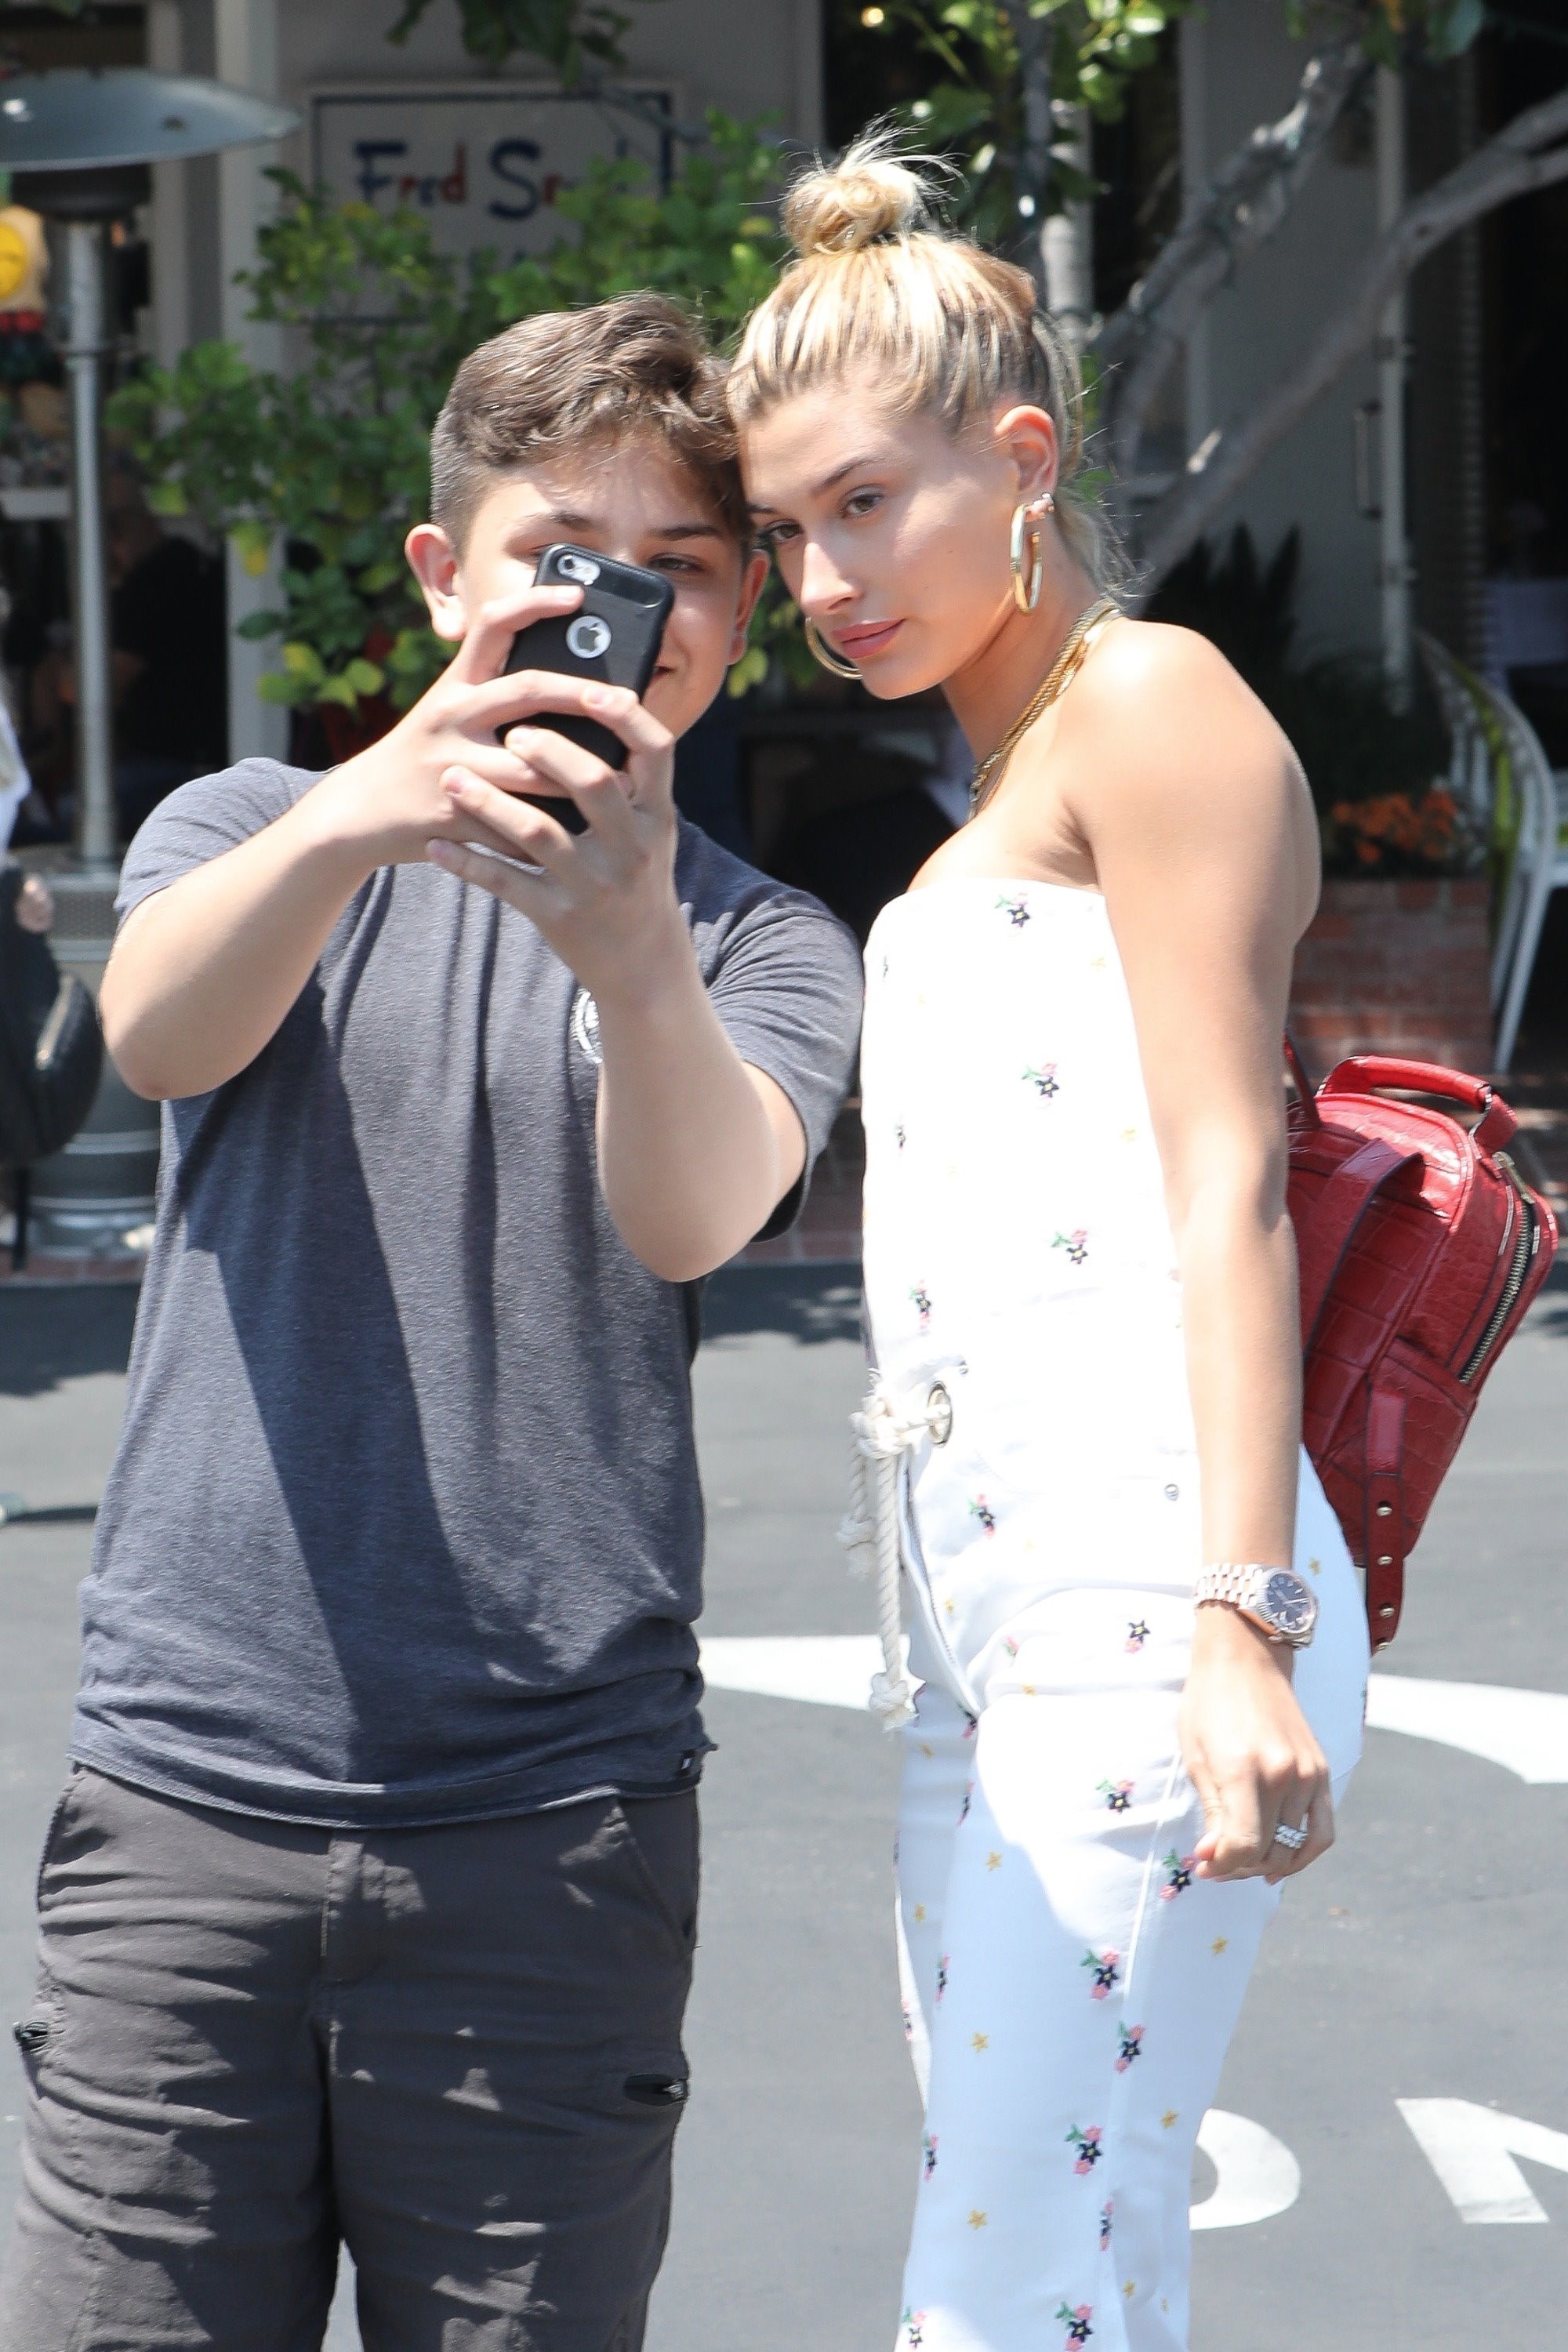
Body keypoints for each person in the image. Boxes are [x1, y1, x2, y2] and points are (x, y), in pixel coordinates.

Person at [0, 292, 863, 2350]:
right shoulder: (244, 825)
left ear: (736, 616)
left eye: (676, 570)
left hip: (550, 1839)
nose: (615, 610)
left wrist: (631, 946)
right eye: (560, 555)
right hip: (186, 1801)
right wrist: (378, 805)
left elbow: (696, 1214)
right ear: (441, 577)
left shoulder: (768, 942)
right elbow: (157, 1033)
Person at [731, 139, 1369, 2352]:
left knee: (995, 2297)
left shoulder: (1151, 705)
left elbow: (1226, 1178)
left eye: (864, 504)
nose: (823, 579)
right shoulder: (1002, 774)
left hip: (1141, 1601)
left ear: (1021, 459)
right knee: (1089, 2276)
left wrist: (1239, 1622)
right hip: (985, 1631)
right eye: (784, 530)